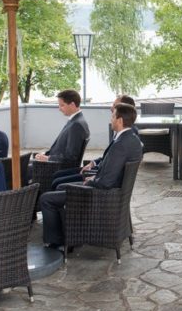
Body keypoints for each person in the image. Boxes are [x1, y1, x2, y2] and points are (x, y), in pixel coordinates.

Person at [40, 102, 143, 248]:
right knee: (60, 186)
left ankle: (57, 241)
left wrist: (90, 181)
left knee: (46, 199)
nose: (111, 120)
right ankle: (69, 235)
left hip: (102, 194)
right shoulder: (131, 139)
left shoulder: (121, 144)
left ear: (120, 120)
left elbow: (106, 182)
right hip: (111, 191)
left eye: (113, 116)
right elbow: (111, 170)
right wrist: (93, 177)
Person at [51, 95, 137, 190]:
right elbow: (109, 159)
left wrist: (92, 179)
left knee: (56, 185)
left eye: (115, 105)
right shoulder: (126, 135)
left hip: (98, 185)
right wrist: (93, 163)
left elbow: (109, 176)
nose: (111, 108)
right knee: (57, 178)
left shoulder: (123, 141)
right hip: (97, 174)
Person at [32, 89, 89, 169]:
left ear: (72, 104)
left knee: (19, 169)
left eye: (62, 105)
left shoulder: (76, 125)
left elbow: (70, 158)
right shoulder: (76, 121)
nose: (59, 109)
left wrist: (47, 158)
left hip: (54, 168)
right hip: (54, 164)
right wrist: (46, 154)